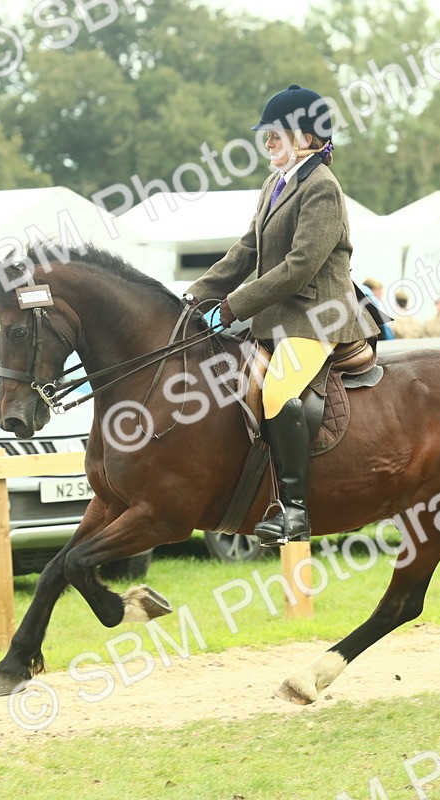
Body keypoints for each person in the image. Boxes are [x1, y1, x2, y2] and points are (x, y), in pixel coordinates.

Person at [183, 84, 378, 548]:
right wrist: (194, 295)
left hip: (318, 318)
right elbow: (246, 250)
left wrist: (232, 306)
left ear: (306, 138)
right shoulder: (275, 184)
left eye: (275, 134)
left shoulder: (322, 188)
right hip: (275, 321)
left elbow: (299, 267)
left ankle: (295, 511)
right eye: (266, 135)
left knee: (277, 389)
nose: (267, 142)